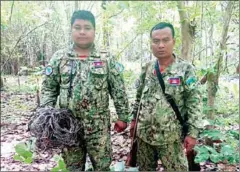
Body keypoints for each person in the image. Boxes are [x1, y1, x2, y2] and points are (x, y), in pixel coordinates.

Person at [40, 10, 130, 171]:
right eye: (77, 27)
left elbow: (118, 90)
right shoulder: (60, 58)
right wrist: (47, 119)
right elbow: (49, 89)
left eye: (87, 27)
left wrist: (123, 117)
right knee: (73, 167)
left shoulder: (106, 58)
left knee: (102, 166)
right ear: (71, 30)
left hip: (98, 127)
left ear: (94, 31)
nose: (82, 32)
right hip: (67, 126)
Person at [129, 22, 203, 171]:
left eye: (165, 40)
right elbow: (139, 98)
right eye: (156, 41)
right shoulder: (147, 68)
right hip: (145, 137)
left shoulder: (186, 70)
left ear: (173, 42)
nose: (161, 45)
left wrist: (193, 134)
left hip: (171, 139)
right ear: (151, 43)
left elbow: (194, 102)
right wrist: (133, 121)